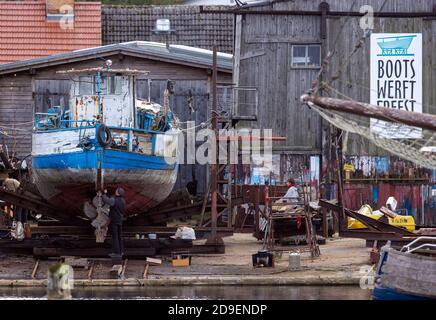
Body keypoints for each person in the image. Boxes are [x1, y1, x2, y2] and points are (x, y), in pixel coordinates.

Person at [101, 187, 125, 257]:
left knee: (115, 237)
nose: (115, 191)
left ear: (117, 193)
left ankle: (116, 252)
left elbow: (106, 200)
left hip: (114, 220)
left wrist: (104, 193)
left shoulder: (114, 200)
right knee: (119, 236)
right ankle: (121, 251)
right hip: (120, 220)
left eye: (116, 190)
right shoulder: (123, 200)